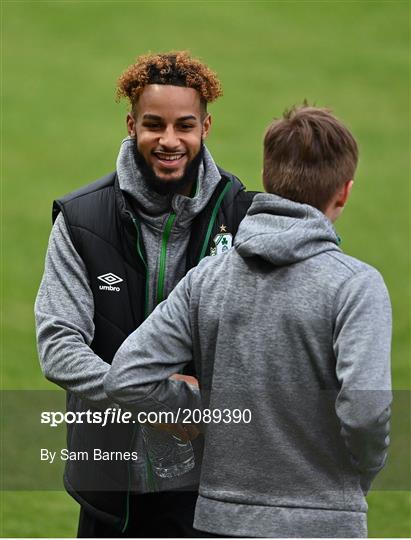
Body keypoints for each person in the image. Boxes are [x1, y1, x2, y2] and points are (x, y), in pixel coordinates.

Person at [104, 105, 392, 538]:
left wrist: (209, 412)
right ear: (345, 192)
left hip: (218, 523)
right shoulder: (356, 287)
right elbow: (366, 412)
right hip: (323, 523)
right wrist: (357, 480)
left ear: (268, 175)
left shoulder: (207, 279)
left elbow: (126, 376)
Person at [35, 51, 256, 537]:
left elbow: (267, 349)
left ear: (206, 127)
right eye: (154, 124)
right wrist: (168, 400)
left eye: (185, 125)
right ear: (131, 123)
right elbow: (58, 348)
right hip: (112, 489)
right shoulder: (80, 220)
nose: (170, 140)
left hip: (213, 492)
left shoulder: (244, 219)